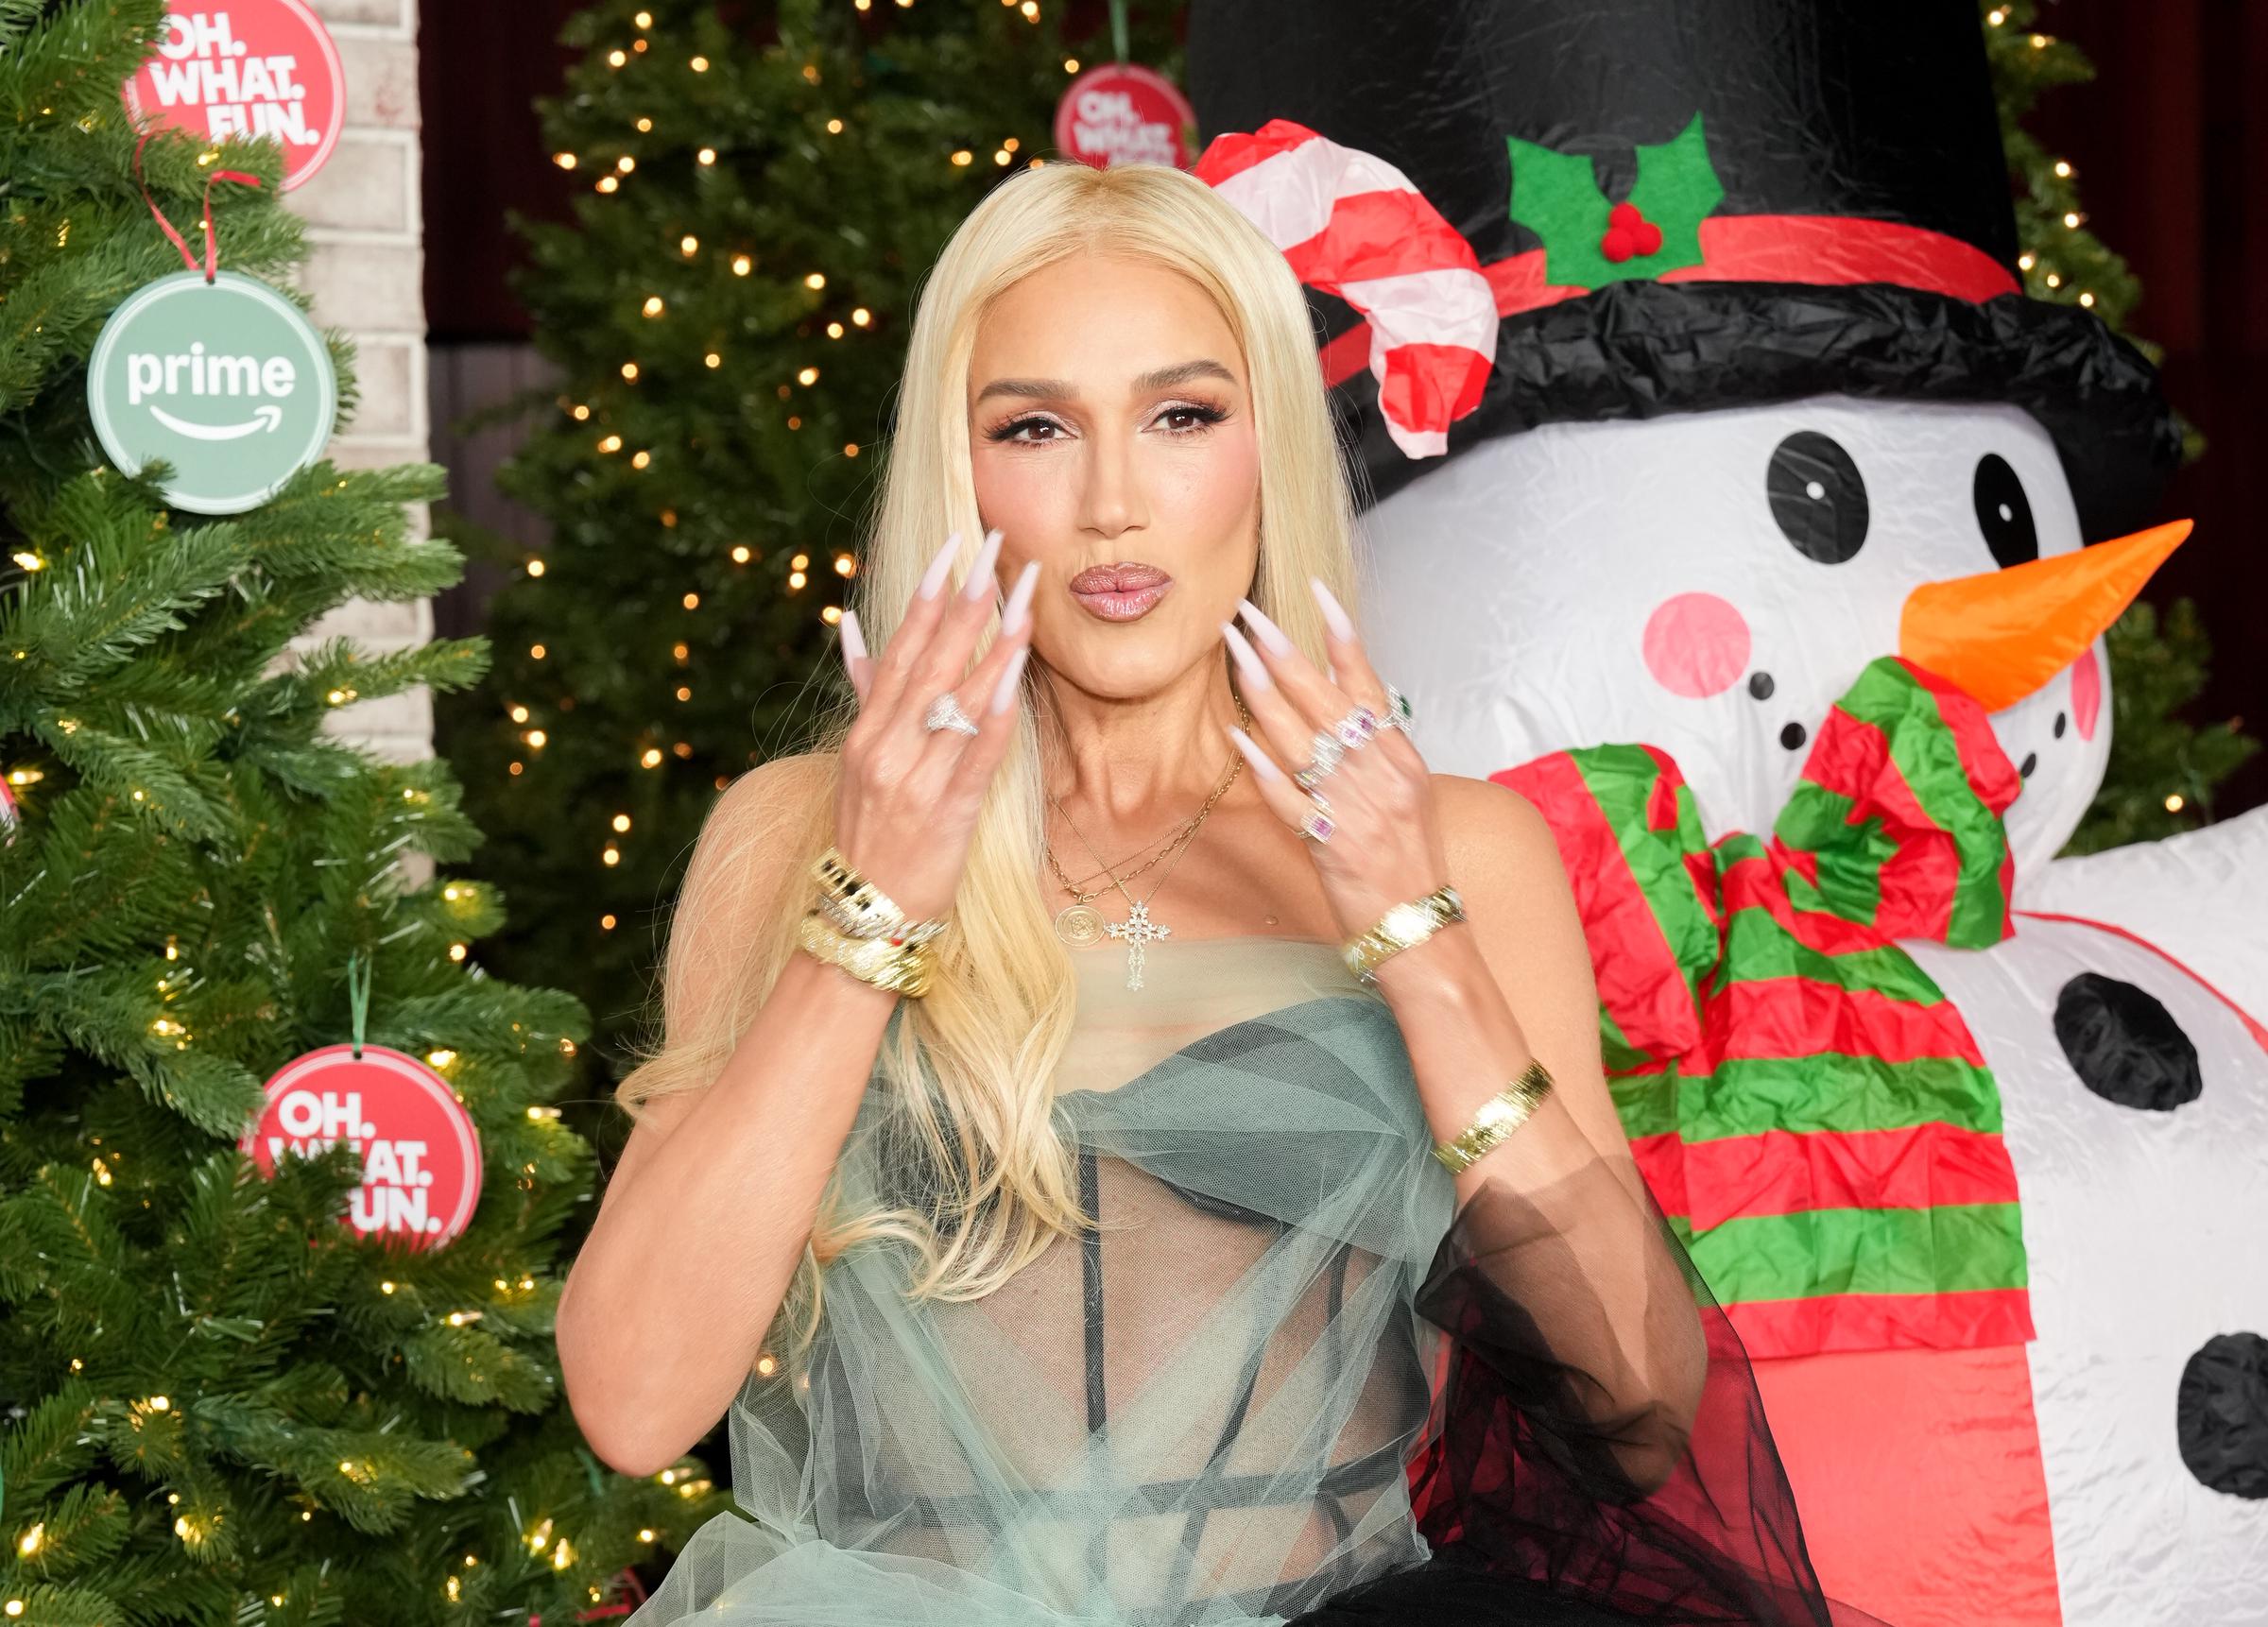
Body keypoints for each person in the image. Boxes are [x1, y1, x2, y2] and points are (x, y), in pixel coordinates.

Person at [556, 158, 1890, 1627]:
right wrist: (870, 907)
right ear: (962, 466)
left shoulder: (1461, 847)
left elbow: (1641, 1407)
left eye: (1182, 415)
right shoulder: (792, 833)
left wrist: (1411, 932)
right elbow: (631, 1403)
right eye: (1037, 426)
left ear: (1267, 449)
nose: (1114, 503)